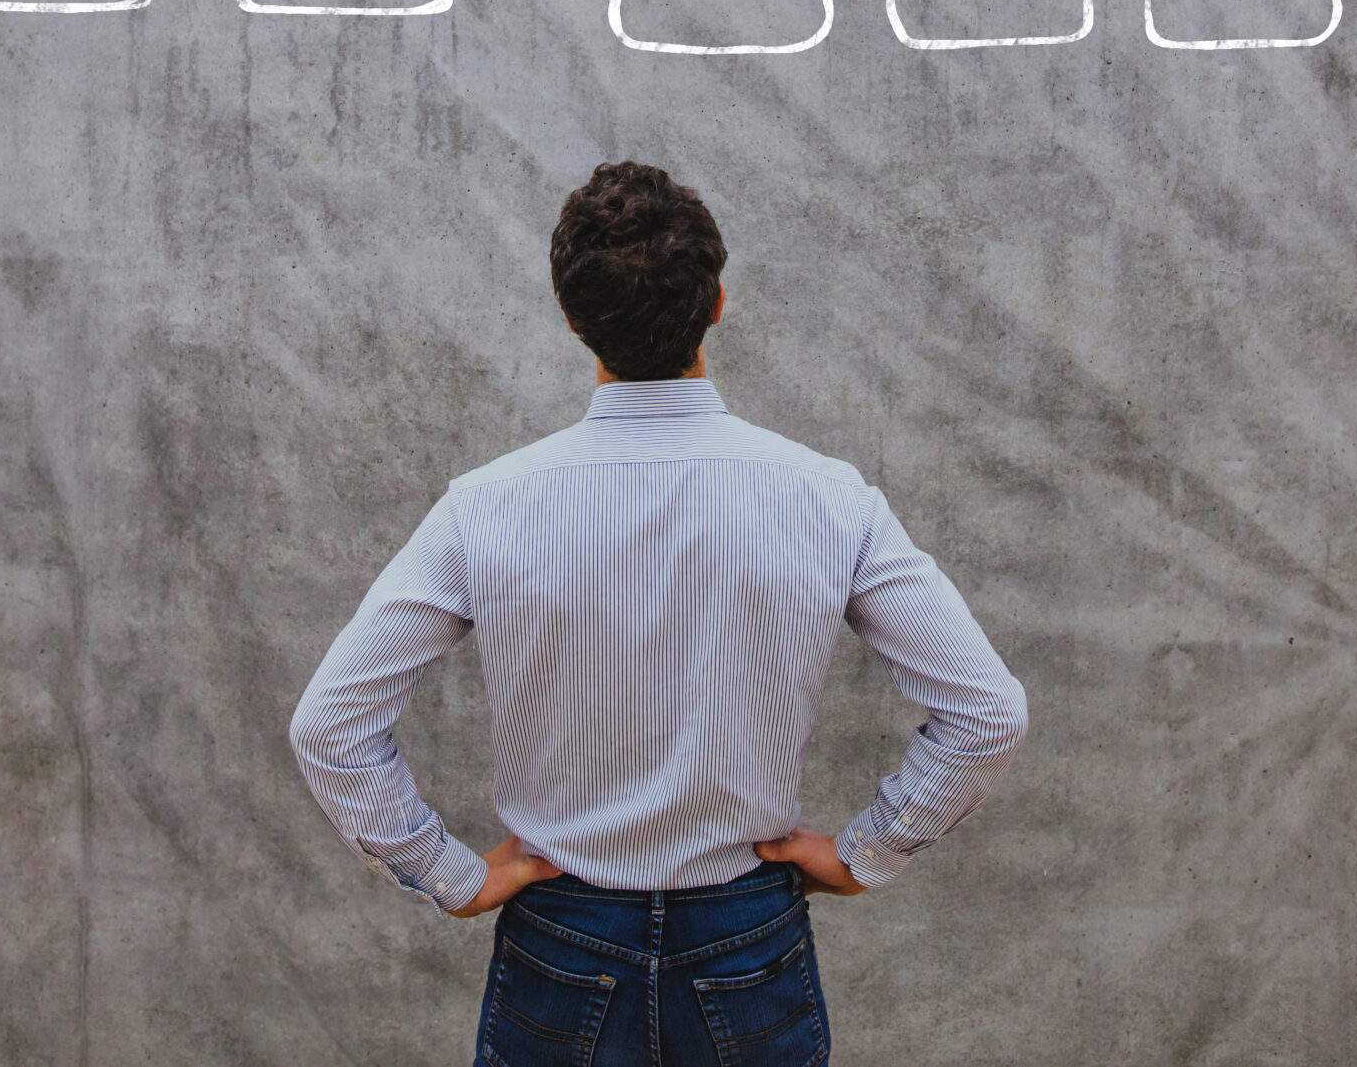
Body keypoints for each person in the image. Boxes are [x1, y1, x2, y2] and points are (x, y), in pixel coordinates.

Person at [289, 162, 1028, 1065]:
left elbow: (331, 725)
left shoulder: (485, 507)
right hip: (746, 936)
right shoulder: (829, 499)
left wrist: (449, 873)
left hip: (560, 939)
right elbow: (987, 714)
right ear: (717, 302)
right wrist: (868, 851)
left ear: (572, 317)